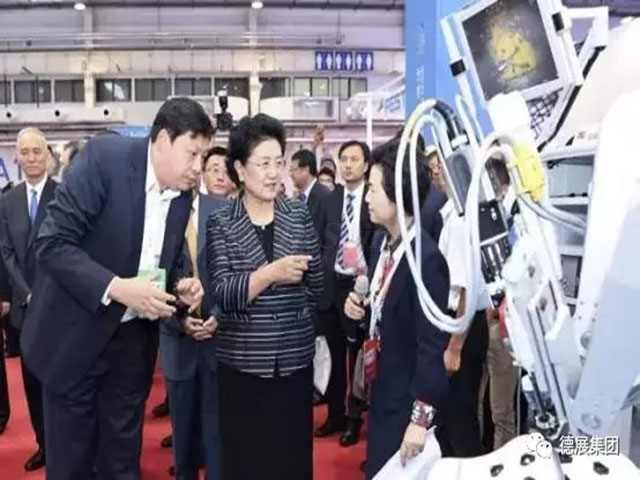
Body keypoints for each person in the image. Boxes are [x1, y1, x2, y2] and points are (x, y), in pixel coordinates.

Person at [20, 97, 212, 480]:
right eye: (192, 154)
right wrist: (116, 287)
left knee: (122, 462)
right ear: (163, 140)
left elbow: (162, 260)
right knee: (72, 464)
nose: (198, 167)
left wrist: (179, 287)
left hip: (130, 345)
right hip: (73, 338)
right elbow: (52, 243)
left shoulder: (182, 194)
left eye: (203, 157)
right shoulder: (104, 161)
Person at [206, 113, 323, 479]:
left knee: (292, 461)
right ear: (240, 169)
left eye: (279, 162)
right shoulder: (221, 223)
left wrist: (298, 322)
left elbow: (317, 285)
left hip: (294, 363)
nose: (274, 173)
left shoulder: (298, 214)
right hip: (243, 366)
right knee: (246, 462)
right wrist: (270, 274)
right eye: (263, 164)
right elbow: (224, 293)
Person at [344, 139, 450, 479]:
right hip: (383, 390)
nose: (367, 198)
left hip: (407, 402)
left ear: (398, 194)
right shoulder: (382, 243)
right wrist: (360, 308)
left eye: (374, 189)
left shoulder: (426, 260)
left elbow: (432, 346)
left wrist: (420, 420)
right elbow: (384, 308)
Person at [160, 186, 228, 480]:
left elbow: (235, 271)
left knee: (217, 435)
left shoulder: (222, 209)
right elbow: (150, 278)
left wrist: (219, 315)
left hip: (218, 339)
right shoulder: (155, 212)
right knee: (183, 440)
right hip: (177, 341)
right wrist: (180, 320)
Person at [0, 127, 58, 471]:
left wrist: (45, 292)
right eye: (25, 152)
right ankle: (44, 445)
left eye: (38, 151)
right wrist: (26, 291)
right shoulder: (8, 201)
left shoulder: (63, 194)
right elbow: (6, 252)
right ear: (17, 158)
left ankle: (64, 443)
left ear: (48, 154)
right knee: (32, 381)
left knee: (61, 381)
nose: (32, 158)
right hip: (25, 308)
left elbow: (68, 250)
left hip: (59, 305)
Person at [429, 150, 489, 458]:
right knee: (451, 419)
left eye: (441, 165)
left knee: (460, 418)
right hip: (463, 325)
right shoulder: (453, 213)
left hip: (462, 327)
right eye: (433, 166)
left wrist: (454, 347)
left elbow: (465, 287)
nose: (436, 171)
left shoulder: (462, 220)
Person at [316, 140, 375, 447]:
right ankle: (335, 414)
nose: (348, 165)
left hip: (360, 286)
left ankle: (354, 418)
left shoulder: (373, 197)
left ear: (366, 165)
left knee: (357, 357)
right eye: (344, 159)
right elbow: (319, 240)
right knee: (334, 354)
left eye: (354, 159)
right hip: (333, 284)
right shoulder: (331, 199)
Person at [289, 148, 331, 238]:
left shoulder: (324, 196)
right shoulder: (298, 198)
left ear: (306, 170)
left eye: (293, 170)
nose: (291, 175)